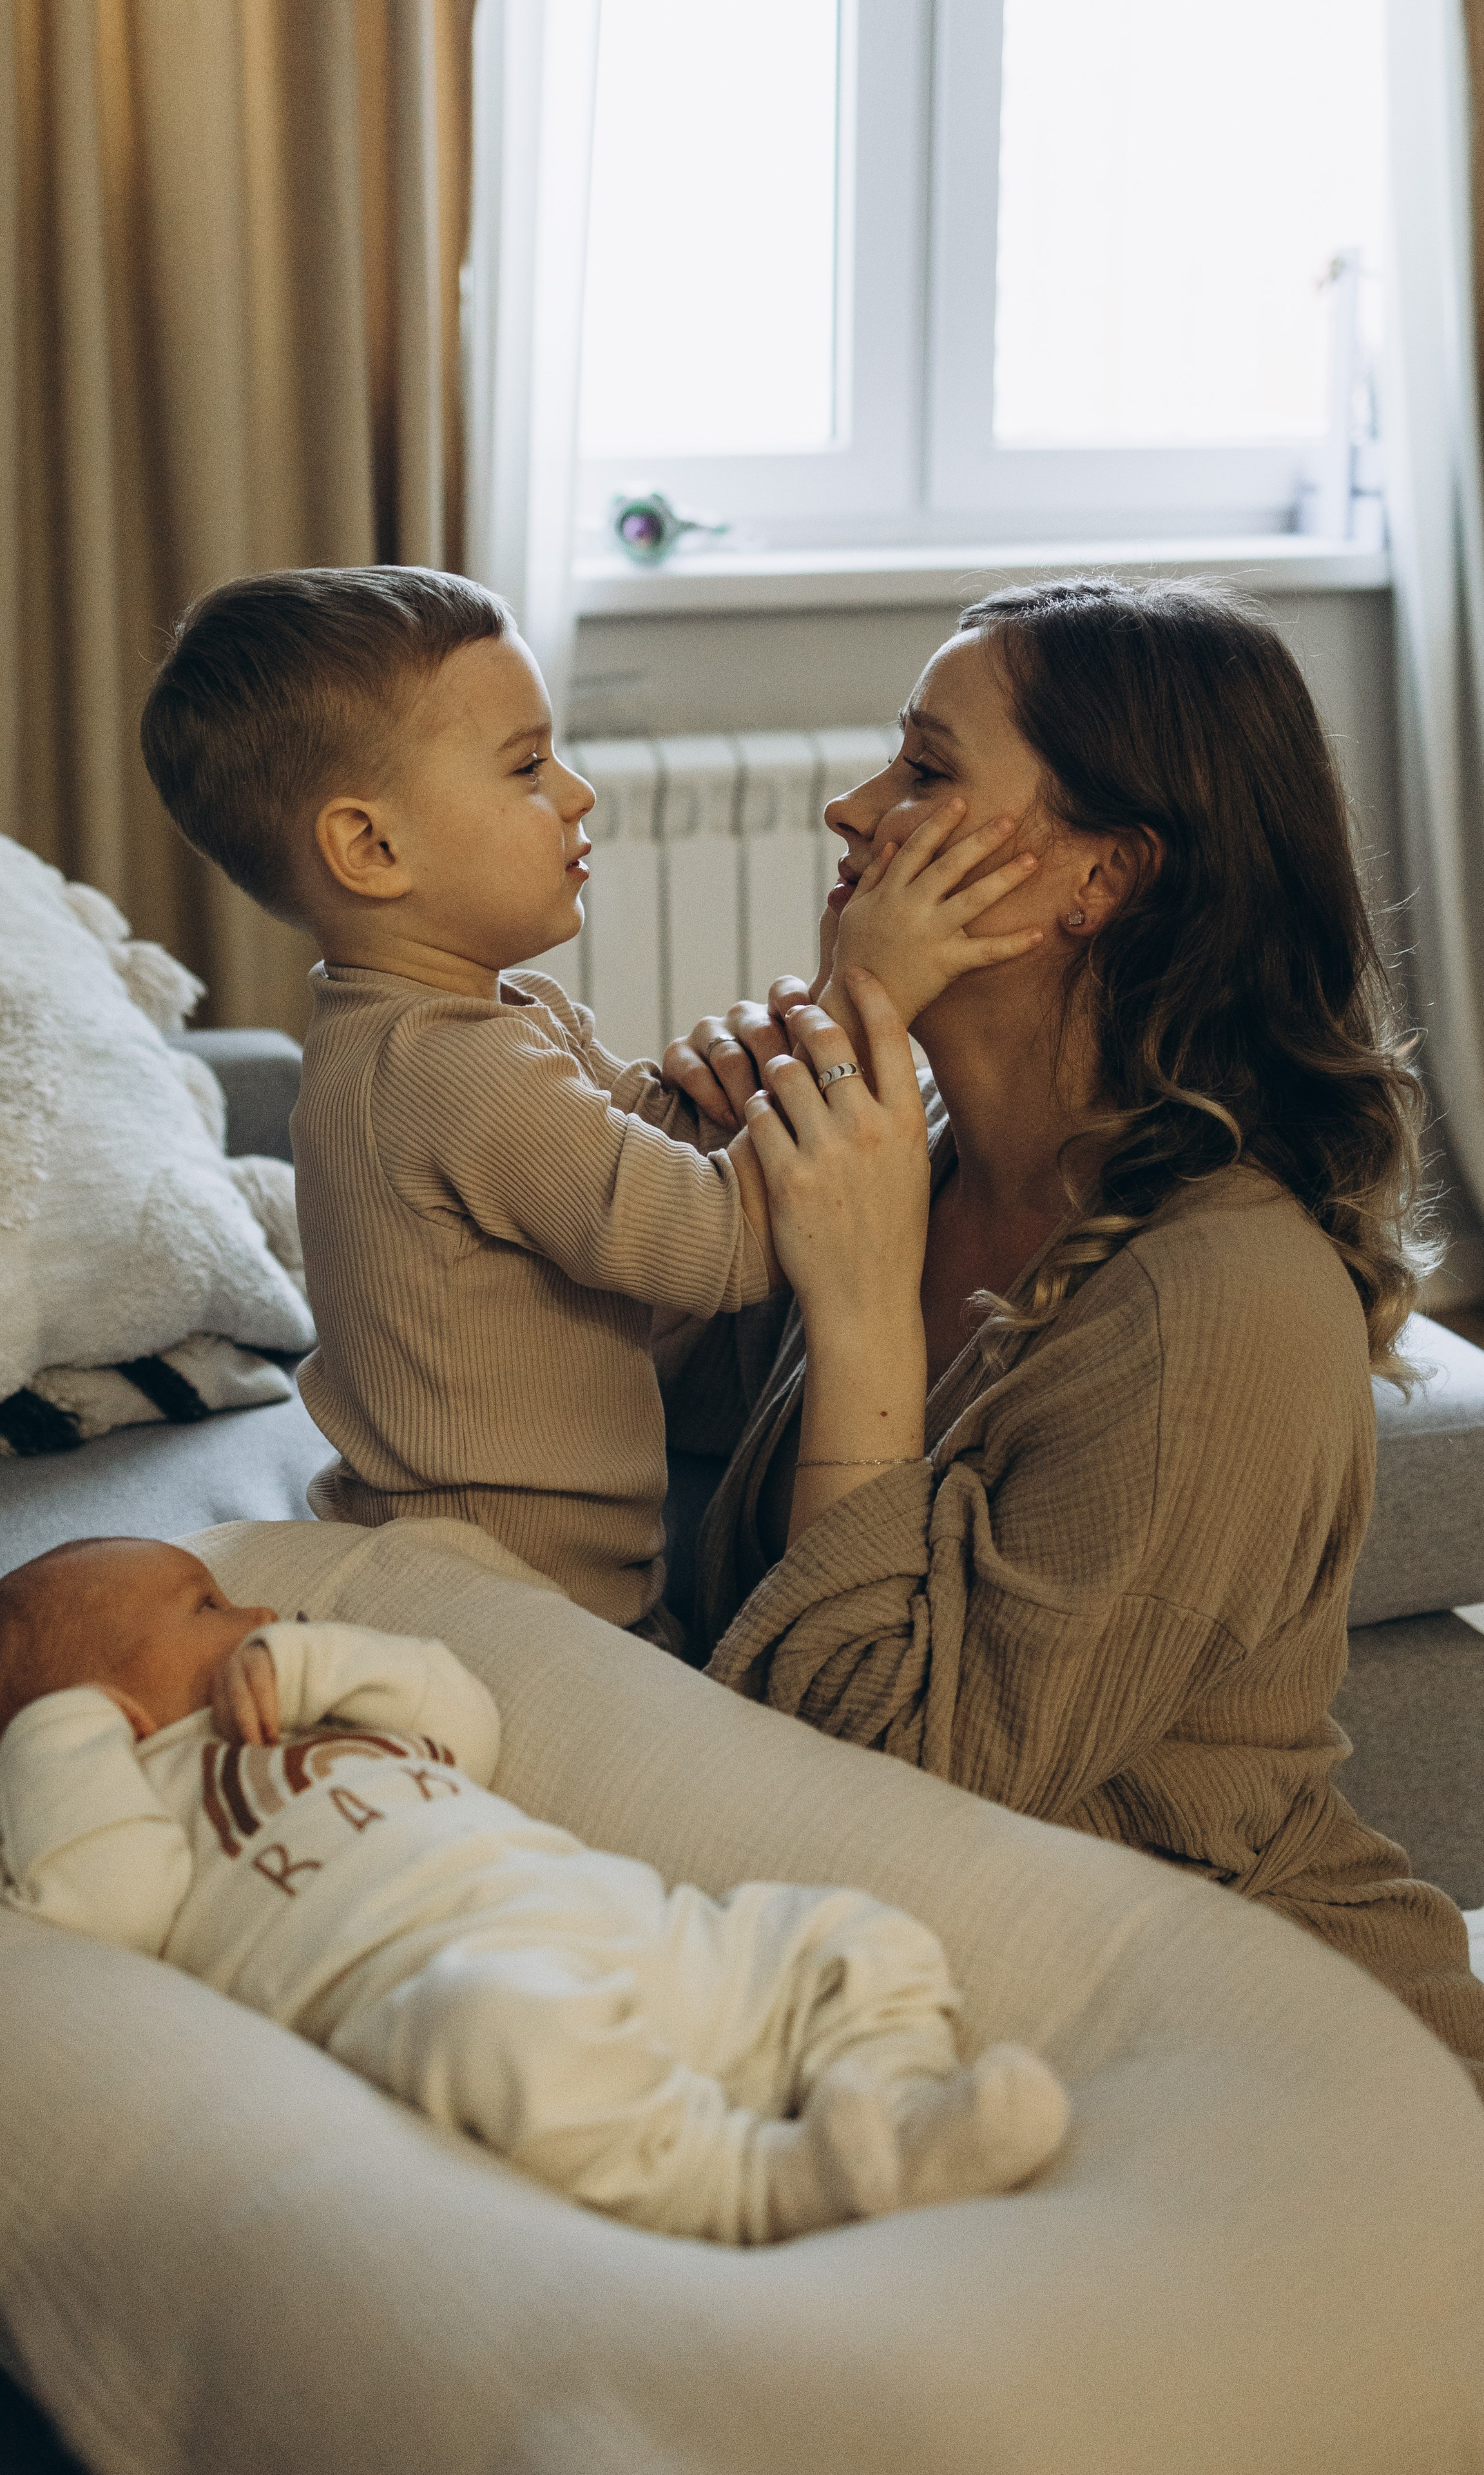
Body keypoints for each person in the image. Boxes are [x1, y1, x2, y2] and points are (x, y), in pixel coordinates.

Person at [660, 575, 1484, 2090]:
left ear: (1093, 880)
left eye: (921, 771)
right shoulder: (924, 1142)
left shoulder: (1217, 1310)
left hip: (1257, 2041)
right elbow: (675, 1460)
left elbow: (895, 1806)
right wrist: (704, 1170)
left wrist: (857, 1310)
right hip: (991, 1995)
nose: (849, 812)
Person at [139, 565, 1037, 1642]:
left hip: (536, 1584)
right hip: (503, 1609)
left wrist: (748, 1069)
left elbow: (655, 1146)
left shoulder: (473, 1023)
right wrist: (866, 991)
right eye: (527, 766)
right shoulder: (446, 1073)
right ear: (371, 850)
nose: (577, 792)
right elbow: (726, 1248)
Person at [0, 1537, 1071, 2246]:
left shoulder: (313, 1701)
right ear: (94, 1710)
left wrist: (323, 1665)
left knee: (842, 1934)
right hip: (466, 1986)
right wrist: (60, 1735)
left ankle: (892, 2100)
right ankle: (762, 2185)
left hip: (635, 1925)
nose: (256, 1615)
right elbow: (101, 1911)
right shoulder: (115, 1808)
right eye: (206, 1606)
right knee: (498, 2036)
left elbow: (462, 1723)